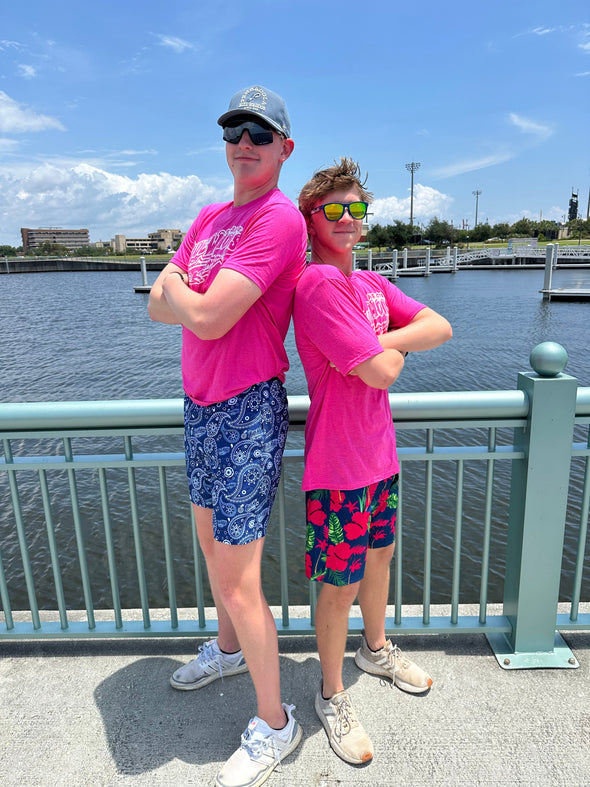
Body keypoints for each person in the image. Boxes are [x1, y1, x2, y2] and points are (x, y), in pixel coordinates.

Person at [148, 85, 307, 787]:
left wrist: (183, 292)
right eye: (233, 130)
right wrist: (185, 295)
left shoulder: (279, 220)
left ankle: (275, 721)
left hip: (246, 408)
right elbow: (160, 301)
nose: (243, 141)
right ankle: (226, 648)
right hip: (199, 403)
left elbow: (203, 315)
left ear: (283, 149)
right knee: (212, 550)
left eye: (259, 132)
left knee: (241, 581)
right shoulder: (211, 214)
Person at [293, 158, 452, 765]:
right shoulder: (317, 286)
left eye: (356, 208)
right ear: (311, 220)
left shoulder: (370, 286)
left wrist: (371, 340)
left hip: (379, 455)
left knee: (380, 559)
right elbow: (387, 372)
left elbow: (438, 327)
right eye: (332, 209)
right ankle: (330, 694)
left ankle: (375, 648)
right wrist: (385, 350)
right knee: (338, 583)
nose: (346, 219)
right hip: (336, 466)